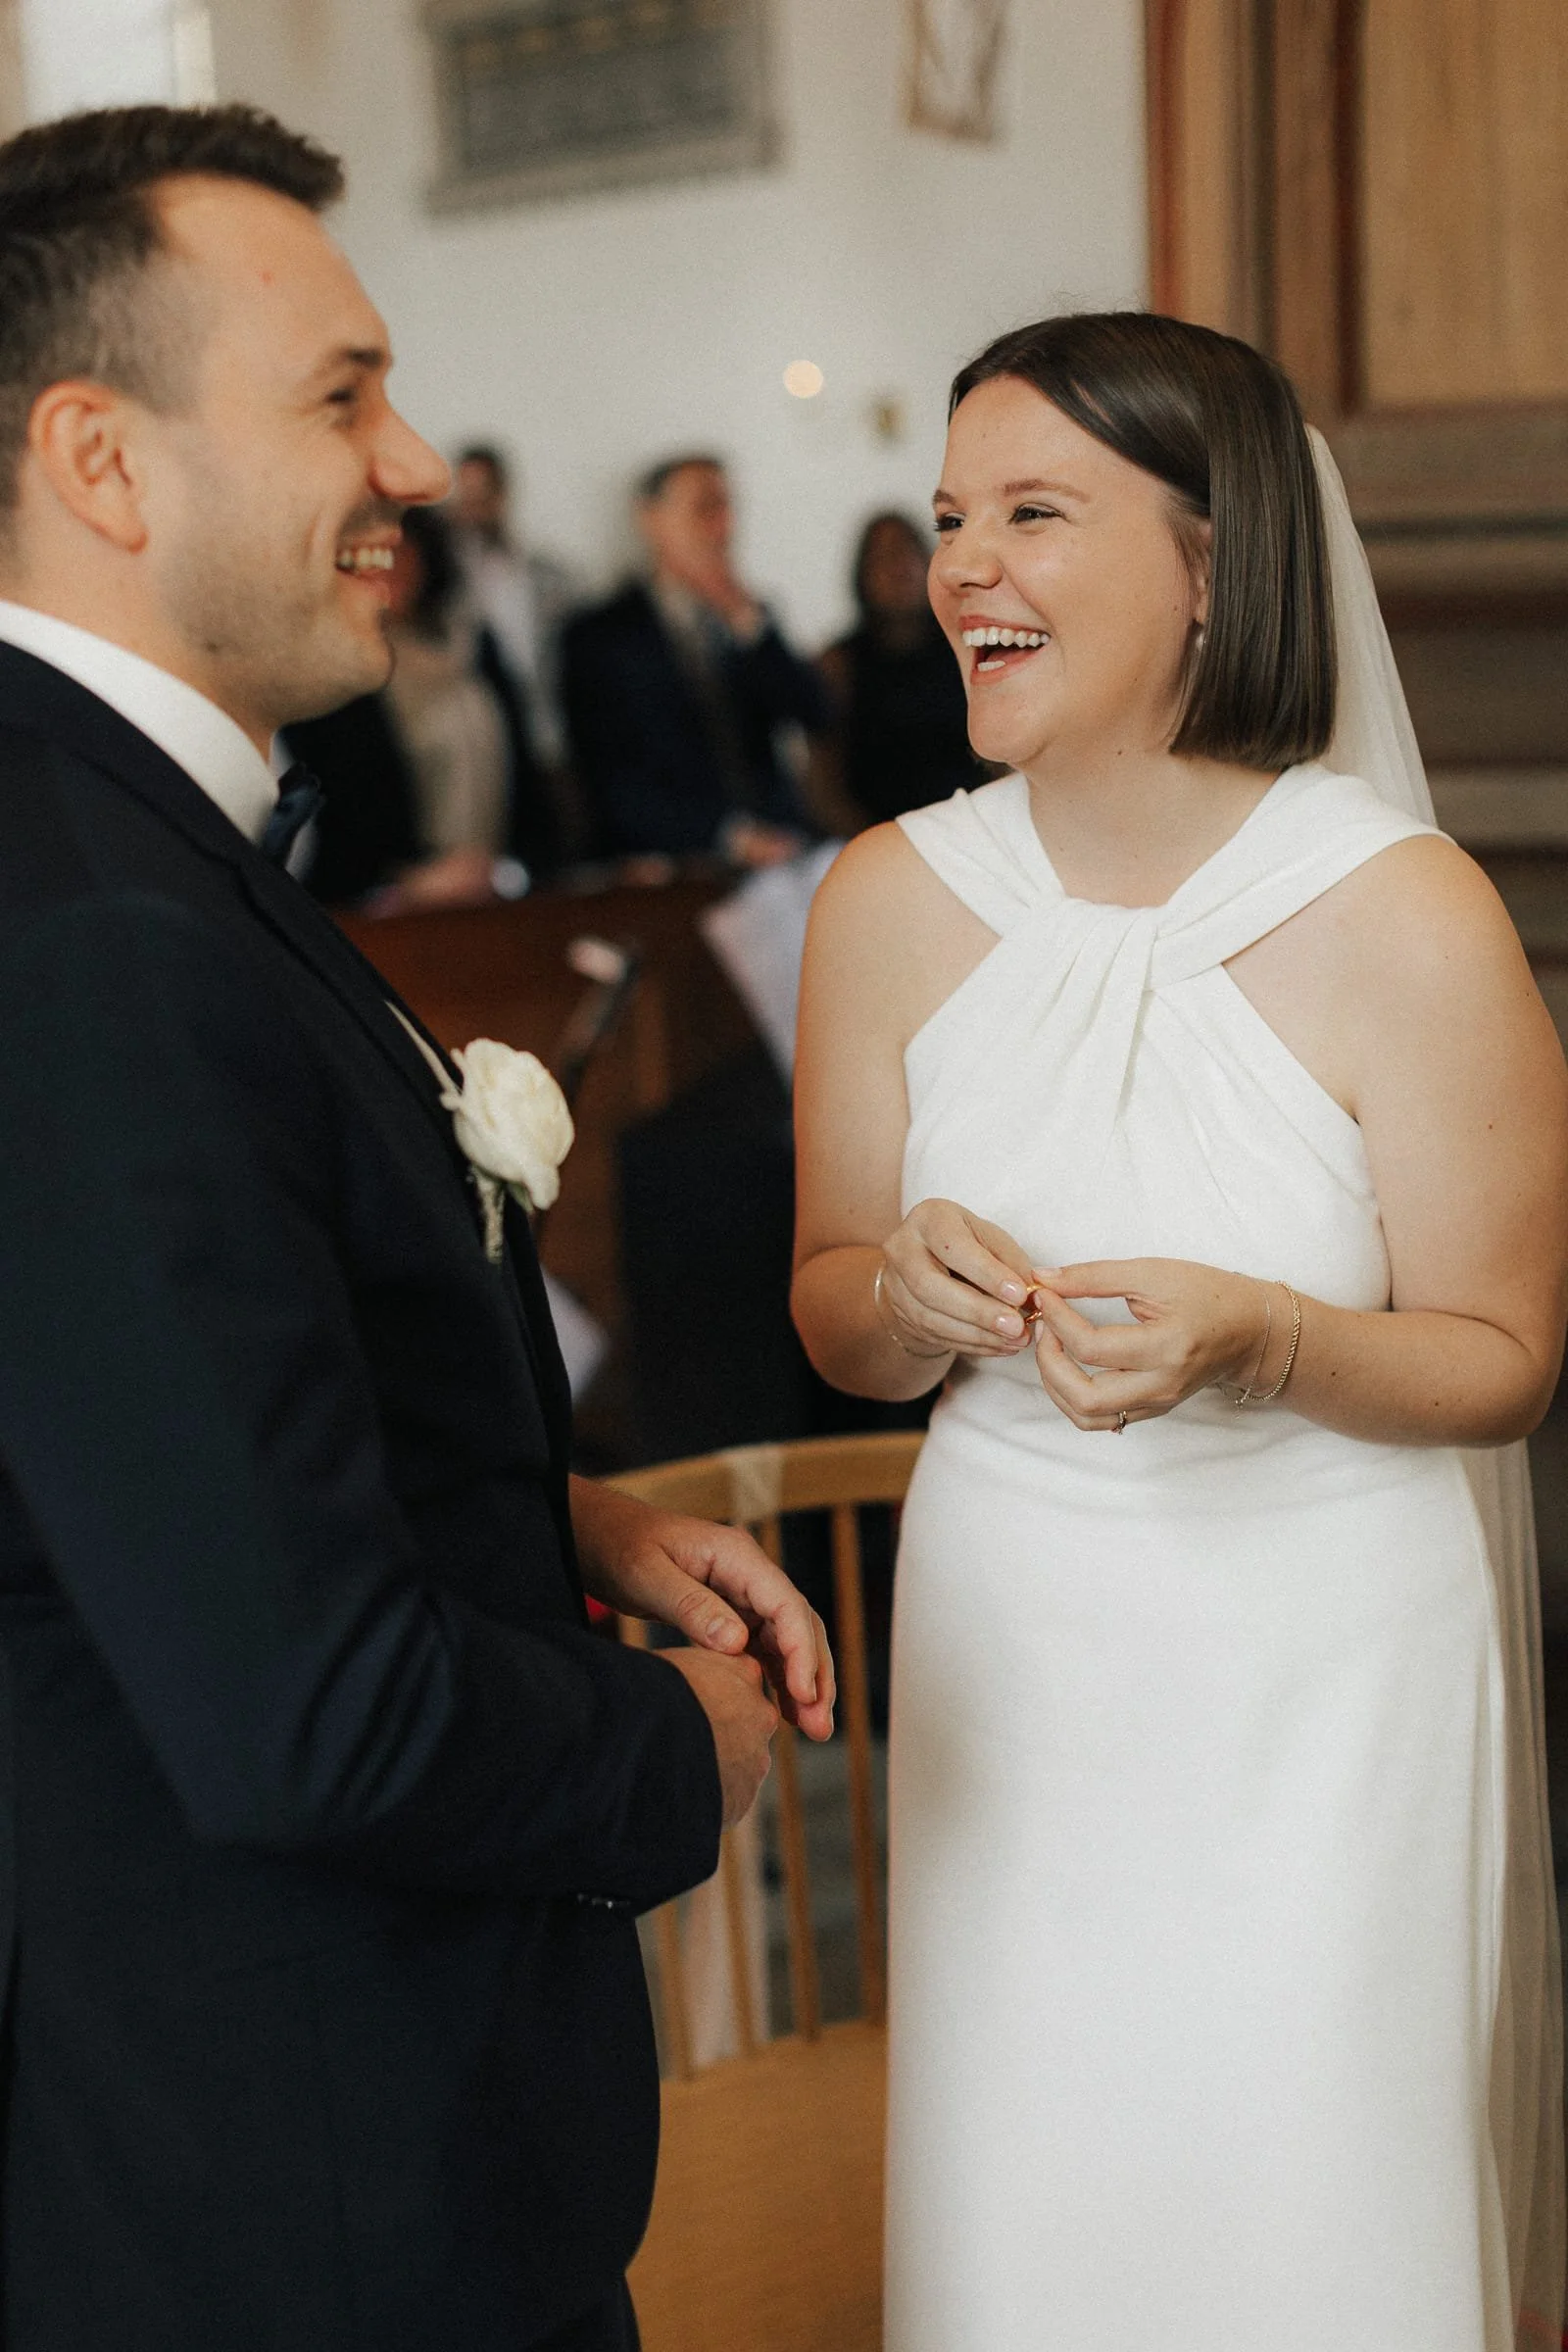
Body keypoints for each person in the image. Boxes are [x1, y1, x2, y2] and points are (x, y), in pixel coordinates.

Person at [0, 102, 834, 2352]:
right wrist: (679, 1747)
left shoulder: (144, 856)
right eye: (339, 393)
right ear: (103, 457)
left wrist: (550, 1504)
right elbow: (307, 1708)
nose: (417, 461)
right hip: (286, 2183)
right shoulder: (100, 935)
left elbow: (129, 1442)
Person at [791, 310, 1567, 2349]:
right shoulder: (880, 897)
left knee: (1310, 2185)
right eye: (950, 513)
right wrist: (887, 1295)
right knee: (1026, 2184)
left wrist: (1268, 1345)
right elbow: (827, 1318)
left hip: (1320, 1662)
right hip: (1012, 1650)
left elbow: (1500, 1351)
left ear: (1214, 565)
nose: (960, 563)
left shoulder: (1403, 912)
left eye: (1032, 512)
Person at [288, 502, 563, 907]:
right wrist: (407, 880)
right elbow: (328, 812)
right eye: (368, 554)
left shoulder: (472, 645)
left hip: (497, 889)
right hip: (386, 905)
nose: (390, 566)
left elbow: (528, 780)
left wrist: (512, 868)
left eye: (402, 550)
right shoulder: (323, 669)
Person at [561, 453, 828, 865]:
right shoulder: (598, 636)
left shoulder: (753, 615)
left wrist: (749, 625)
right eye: (703, 508)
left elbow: (816, 713)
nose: (722, 526)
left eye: (727, 507)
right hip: (672, 860)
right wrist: (728, 837)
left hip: (781, 846)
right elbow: (609, 779)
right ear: (650, 519)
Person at [449, 441, 579, 848]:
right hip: (483, 746)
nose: (473, 509)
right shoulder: (447, 585)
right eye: (465, 496)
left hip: (550, 738)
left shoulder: (545, 576)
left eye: (482, 496)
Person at [814, 510, 977, 828]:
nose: (897, 568)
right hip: (872, 837)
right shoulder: (838, 665)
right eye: (882, 558)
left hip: (971, 828)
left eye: (906, 552)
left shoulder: (968, 646)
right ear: (862, 575)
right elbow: (823, 784)